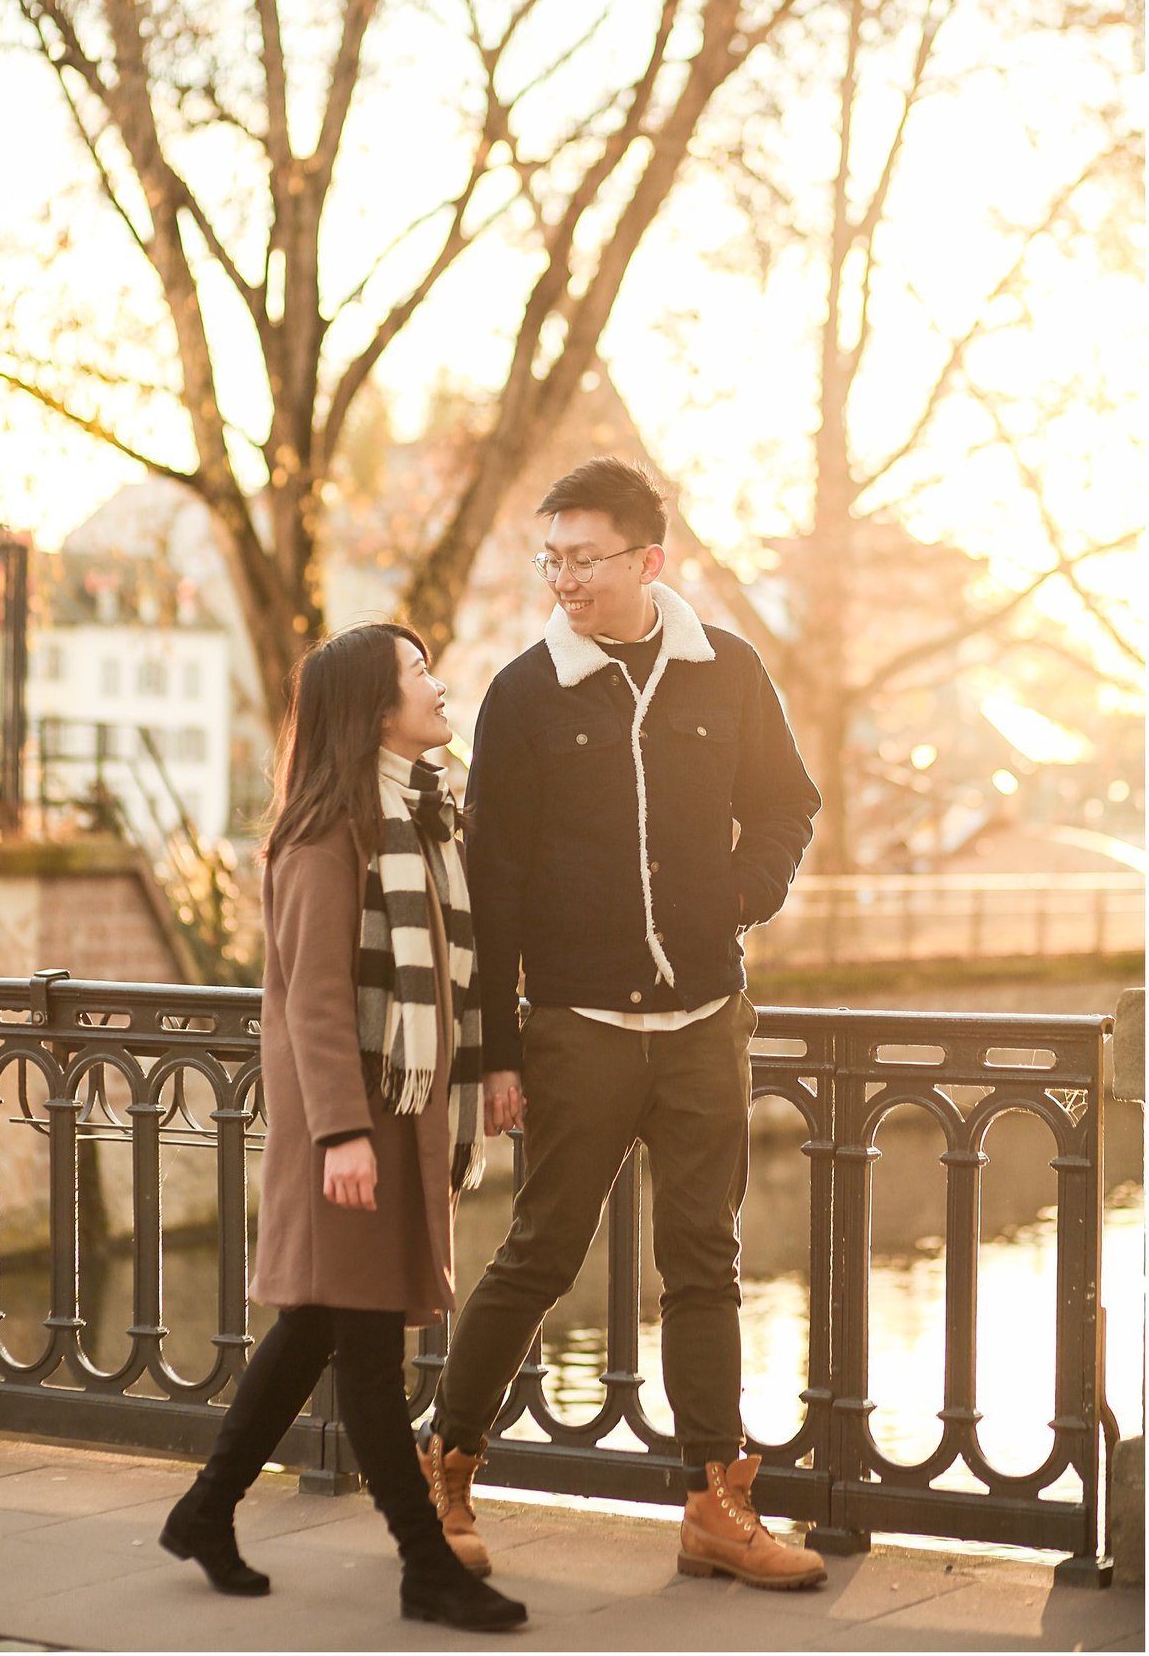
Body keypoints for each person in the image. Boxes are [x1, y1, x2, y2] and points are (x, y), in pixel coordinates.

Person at [417, 458, 827, 1592]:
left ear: (651, 559)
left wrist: (740, 893)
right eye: (549, 558)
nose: (563, 579)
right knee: (540, 1251)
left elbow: (791, 799)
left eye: (582, 557)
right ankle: (445, 1468)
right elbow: (494, 883)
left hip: (705, 1018)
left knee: (706, 1261)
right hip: (579, 1026)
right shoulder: (523, 694)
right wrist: (501, 1047)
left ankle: (716, 1502)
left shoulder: (727, 670)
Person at [159, 624, 527, 1634]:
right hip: (355, 1122)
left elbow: (454, 970)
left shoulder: (420, 816)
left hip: (393, 1114)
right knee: (365, 1343)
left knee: (320, 1319)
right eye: (419, 674)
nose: (439, 685)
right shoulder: (331, 831)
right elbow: (313, 1001)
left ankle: (204, 1508)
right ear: (374, 707)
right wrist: (339, 1135)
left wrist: (493, 1061)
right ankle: (424, 1564)